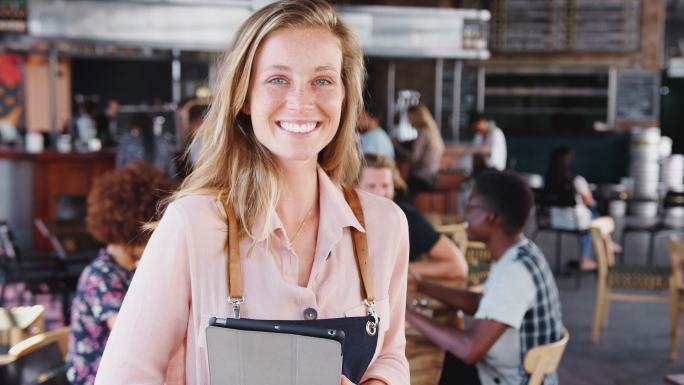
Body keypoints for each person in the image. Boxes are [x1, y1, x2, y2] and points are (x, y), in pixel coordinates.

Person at [95, 1, 410, 384]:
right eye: (278, 79)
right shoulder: (193, 225)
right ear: (245, 97)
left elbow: (390, 355)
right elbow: (124, 377)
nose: (301, 101)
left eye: (322, 80)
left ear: (345, 96)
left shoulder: (384, 225)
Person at [406, 171, 564, 385]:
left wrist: (406, 312)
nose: (464, 216)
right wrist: (424, 286)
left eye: (470, 207)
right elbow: (482, 303)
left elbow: (468, 350)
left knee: (427, 362)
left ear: (491, 216)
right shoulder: (520, 253)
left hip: (508, 381)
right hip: (504, 372)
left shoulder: (514, 274)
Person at [66, 161, 176, 385]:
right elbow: (130, 333)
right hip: (97, 377)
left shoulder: (126, 269)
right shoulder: (101, 276)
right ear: (134, 230)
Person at [358, 153, 467, 282]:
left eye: (386, 185)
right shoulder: (344, 219)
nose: (381, 193)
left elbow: (458, 266)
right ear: (354, 188)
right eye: (371, 186)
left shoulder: (406, 217)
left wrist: (396, 271)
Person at [544, 146, 598, 271]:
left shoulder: (547, 181)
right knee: (594, 215)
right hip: (576, 222)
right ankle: (587, 258)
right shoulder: (577, 180)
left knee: (591, 216)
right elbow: (589, 201)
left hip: (555, 220)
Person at [405, 103, 445, 196]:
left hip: (420, 178)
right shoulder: (433, 131)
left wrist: (397, 147)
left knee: (400, 192)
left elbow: (414, 158)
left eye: (409, 117)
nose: (408, 120)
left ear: (416, 117)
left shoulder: (423, 133)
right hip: (432, 177)